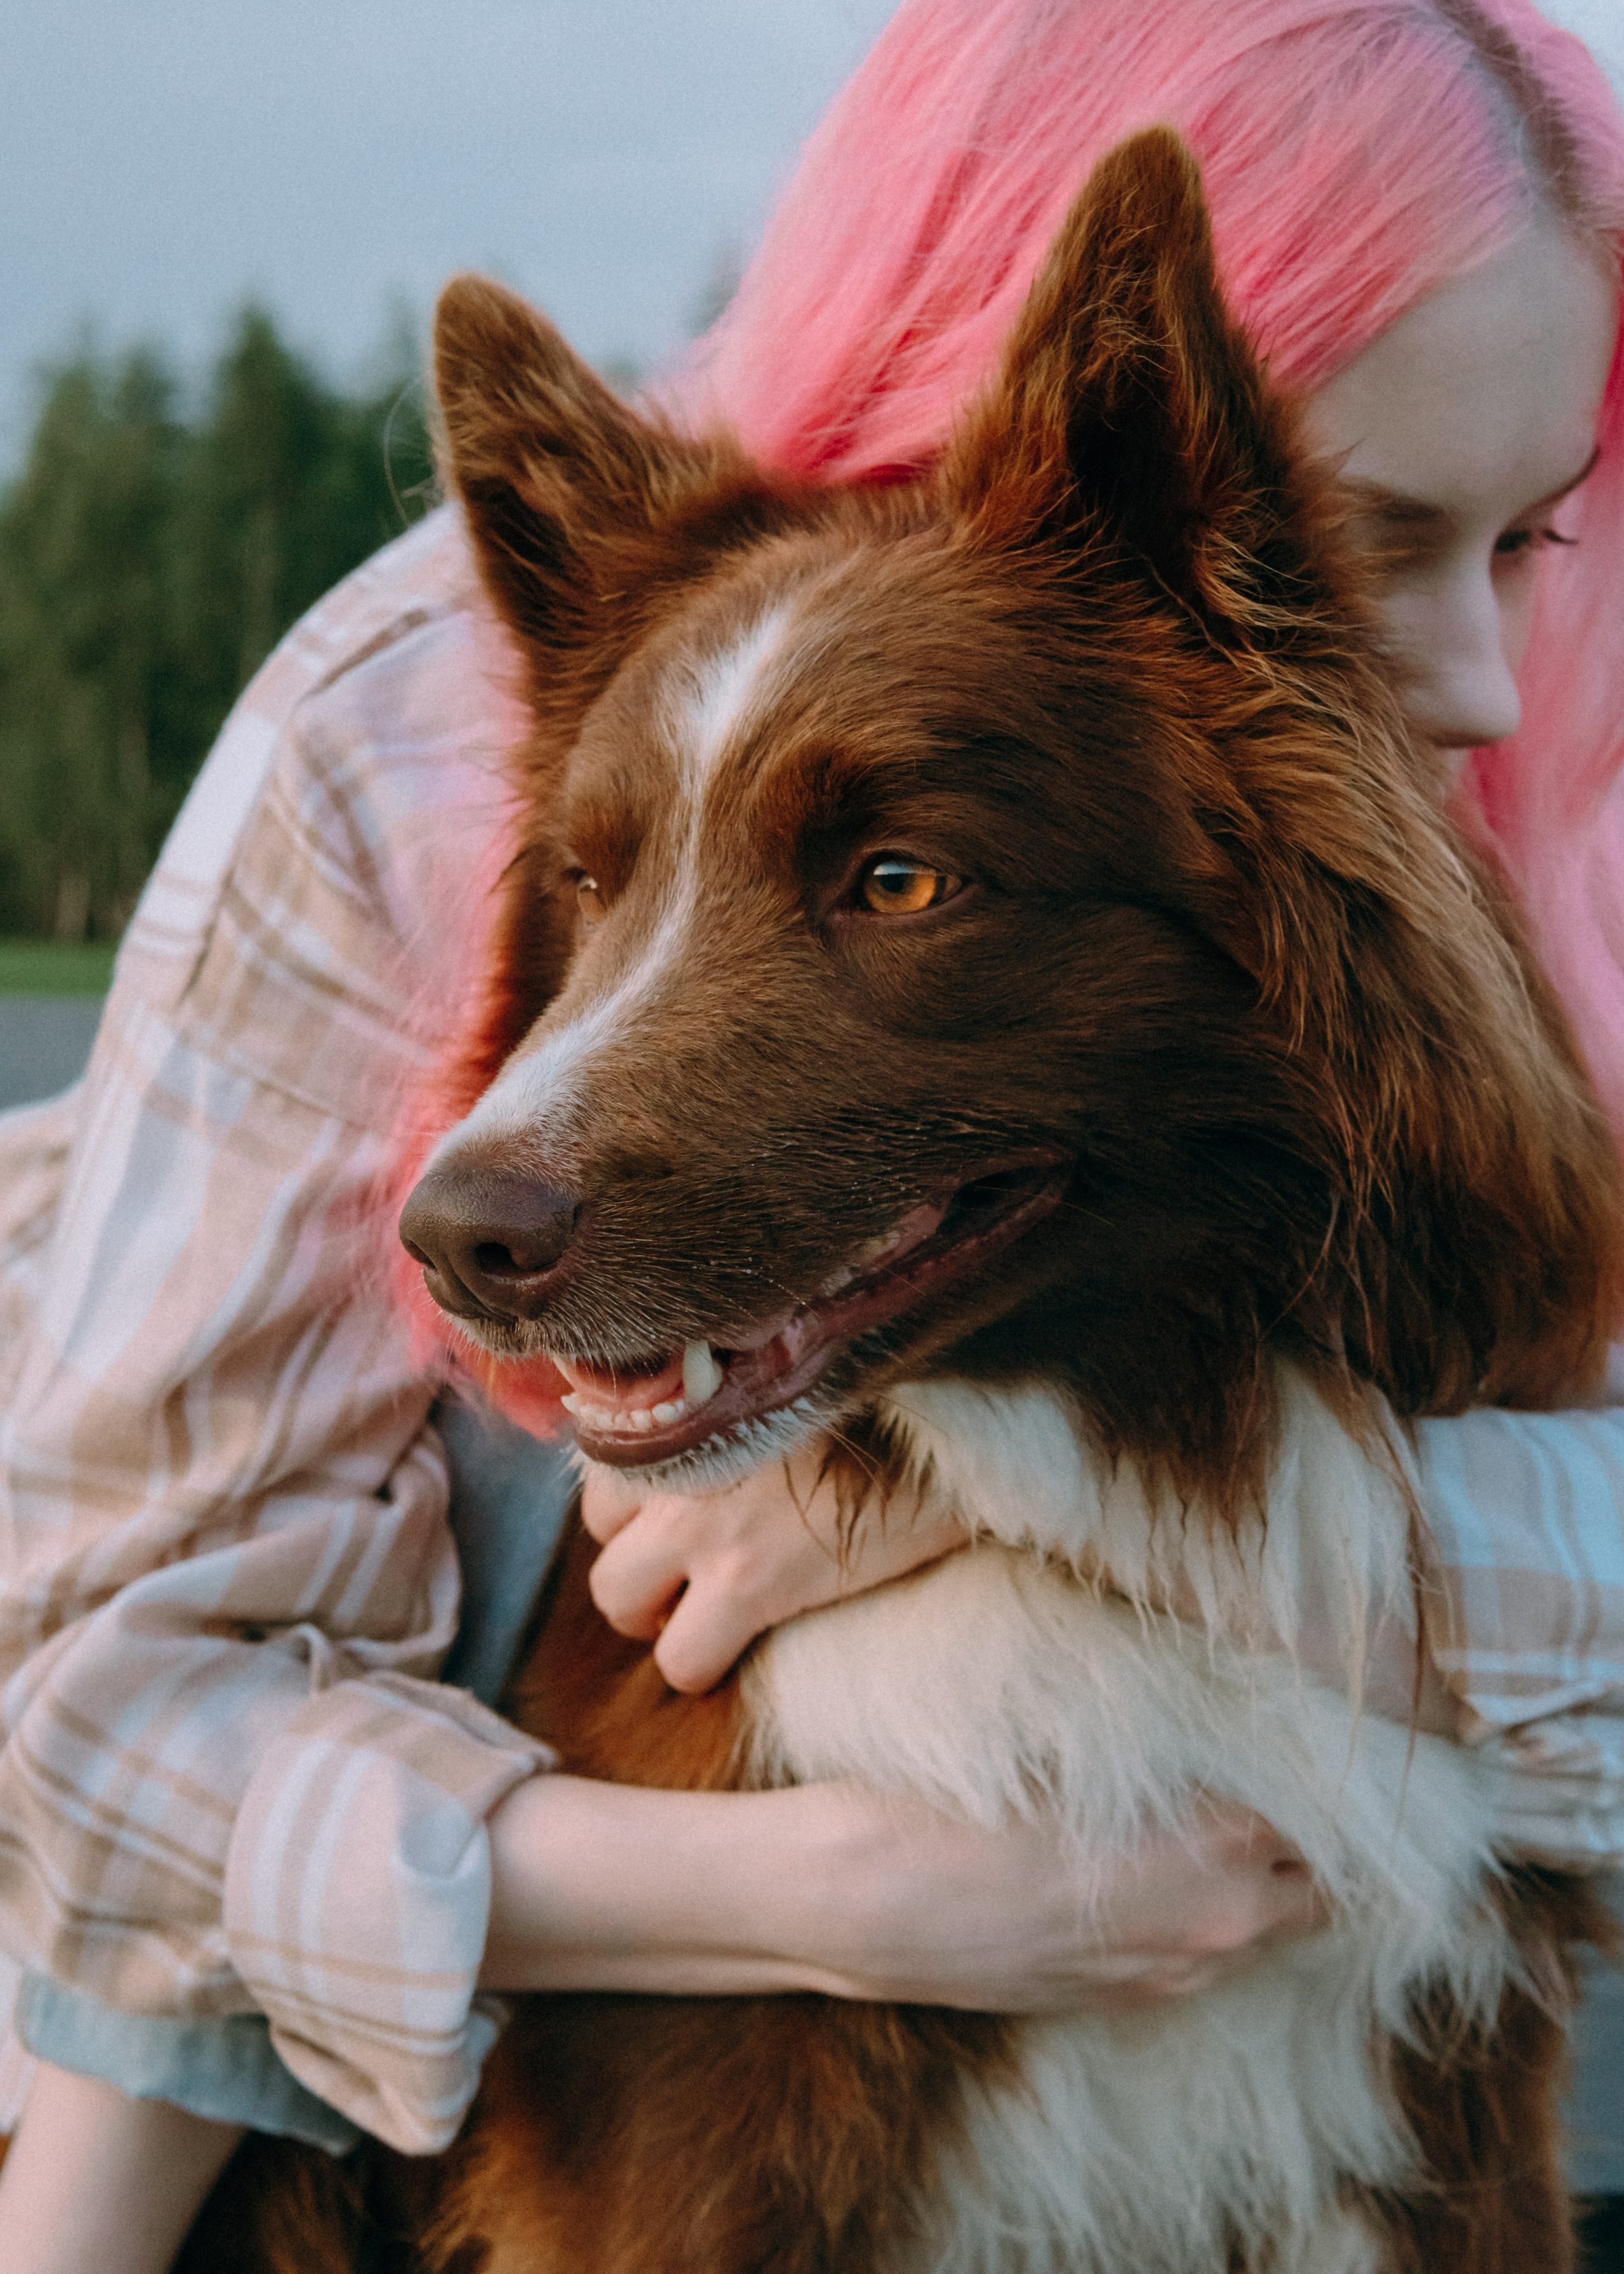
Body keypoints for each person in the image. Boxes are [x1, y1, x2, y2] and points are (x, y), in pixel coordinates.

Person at [1, 0, 1622, 2267]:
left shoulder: (1532, 742)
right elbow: (112, 1708)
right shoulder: (410, 722)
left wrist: (1326, 1563)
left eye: (1533, 533)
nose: (1469, 674)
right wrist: (834, 1894)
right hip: (566, 1909)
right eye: (1366, 538)